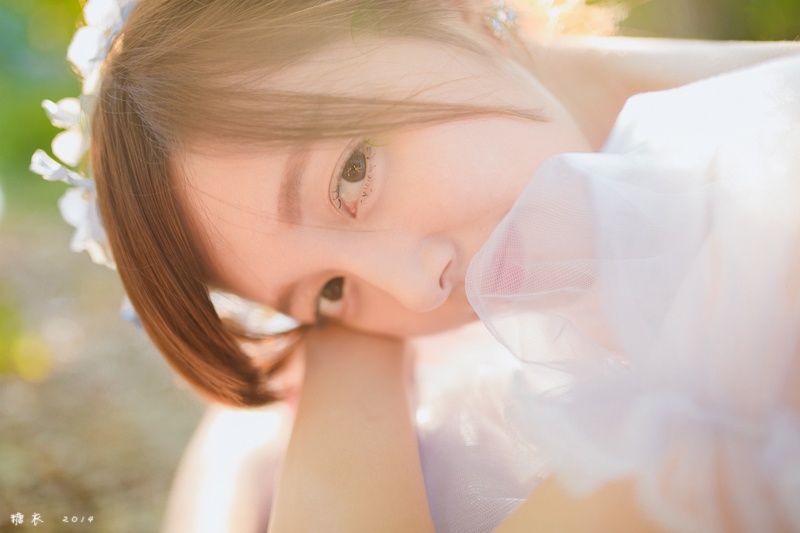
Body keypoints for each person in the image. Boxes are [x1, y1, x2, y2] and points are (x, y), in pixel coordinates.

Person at [31, 0, 800, 531]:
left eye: (353, 175)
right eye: (328, 289)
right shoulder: (450, 293)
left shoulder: (764, 202)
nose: (413, 286)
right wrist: (338, 342)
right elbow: (238, 440)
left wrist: (339, 344)